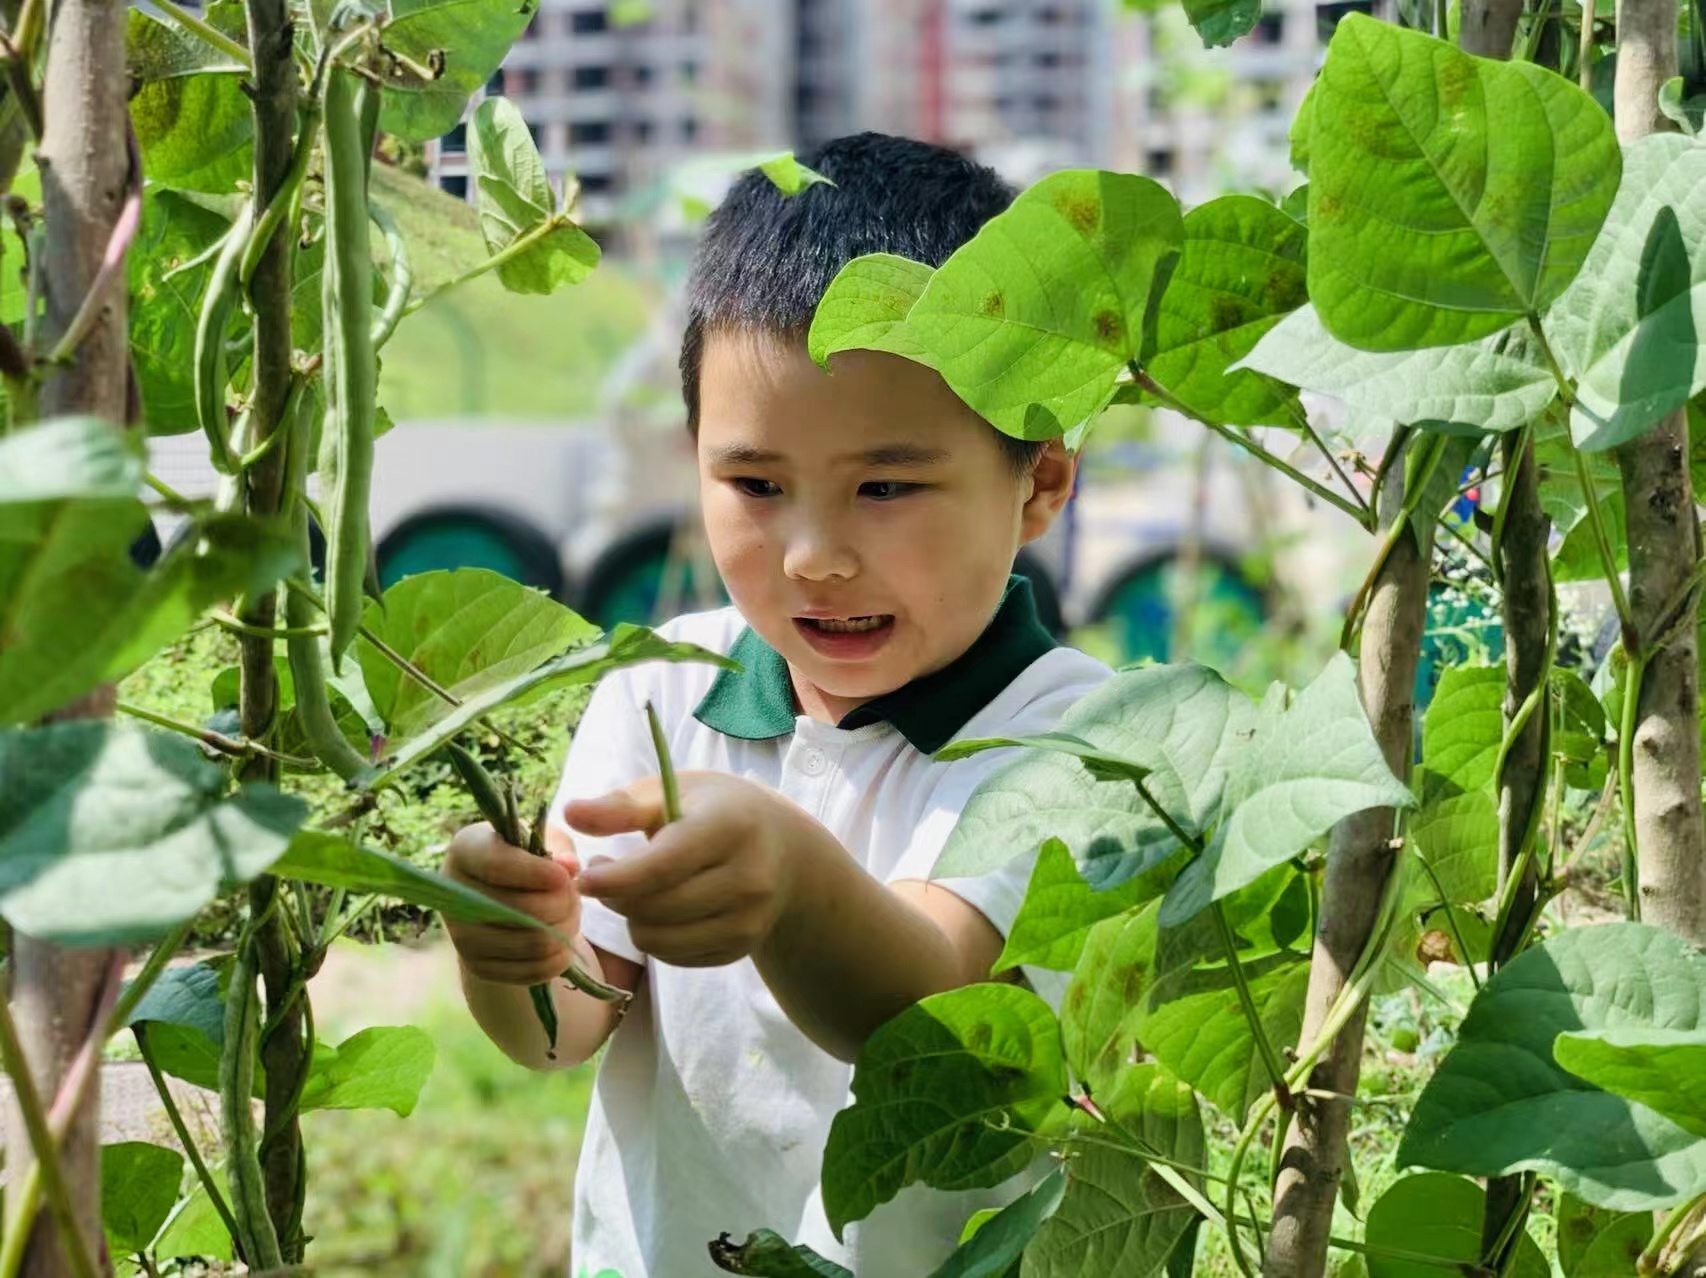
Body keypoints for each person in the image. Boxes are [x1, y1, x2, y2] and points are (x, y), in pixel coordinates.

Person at [442, 132, 1108, 1277]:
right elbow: (569, 1028)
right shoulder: (660, 686)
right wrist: (514, 949)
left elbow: (932, 1023)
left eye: (885, 487)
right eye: (754, 486)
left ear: (1038, 480)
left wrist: (790, 881)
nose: (812, 557)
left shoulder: (1081, 736)